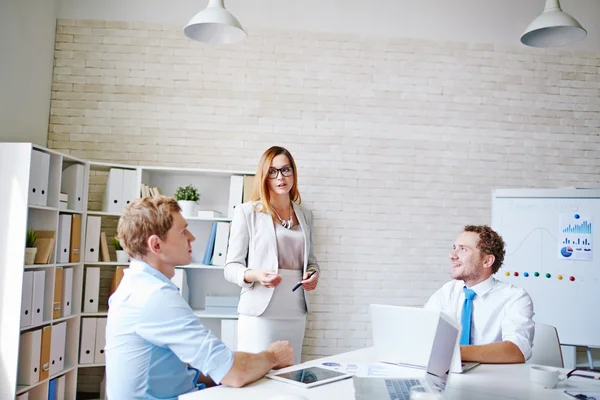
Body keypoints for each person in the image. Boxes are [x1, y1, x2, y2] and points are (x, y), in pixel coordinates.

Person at [105, 196, 293, 400]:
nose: (191, 237)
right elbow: (236, 373)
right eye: (182, 231)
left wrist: (232, 368)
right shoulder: (154, 297)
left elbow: (189, 368)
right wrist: (272, 356)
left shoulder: (136, 285)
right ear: (156, 245)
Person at [224, 146, 320, 364]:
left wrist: (314, 274)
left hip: (295, 310)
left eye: (286, 170)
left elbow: (311, 261)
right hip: (260, 312)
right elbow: (231, 267)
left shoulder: (305, 215)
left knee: (290, 373)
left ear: (293, 173)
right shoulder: (247, 212)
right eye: (272, 171)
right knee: (257, 374)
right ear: (264, 176)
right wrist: (256, 275)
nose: (280, 177)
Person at [424, 225, 534, 364]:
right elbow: (425, 332)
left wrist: (453, 352)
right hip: (448, 375)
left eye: (463, 249)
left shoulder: (515, 297)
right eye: (454, 247)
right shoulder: (447, 292)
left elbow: (517, 350)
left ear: (487, 261)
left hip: (494, 381)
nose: (452, 255)